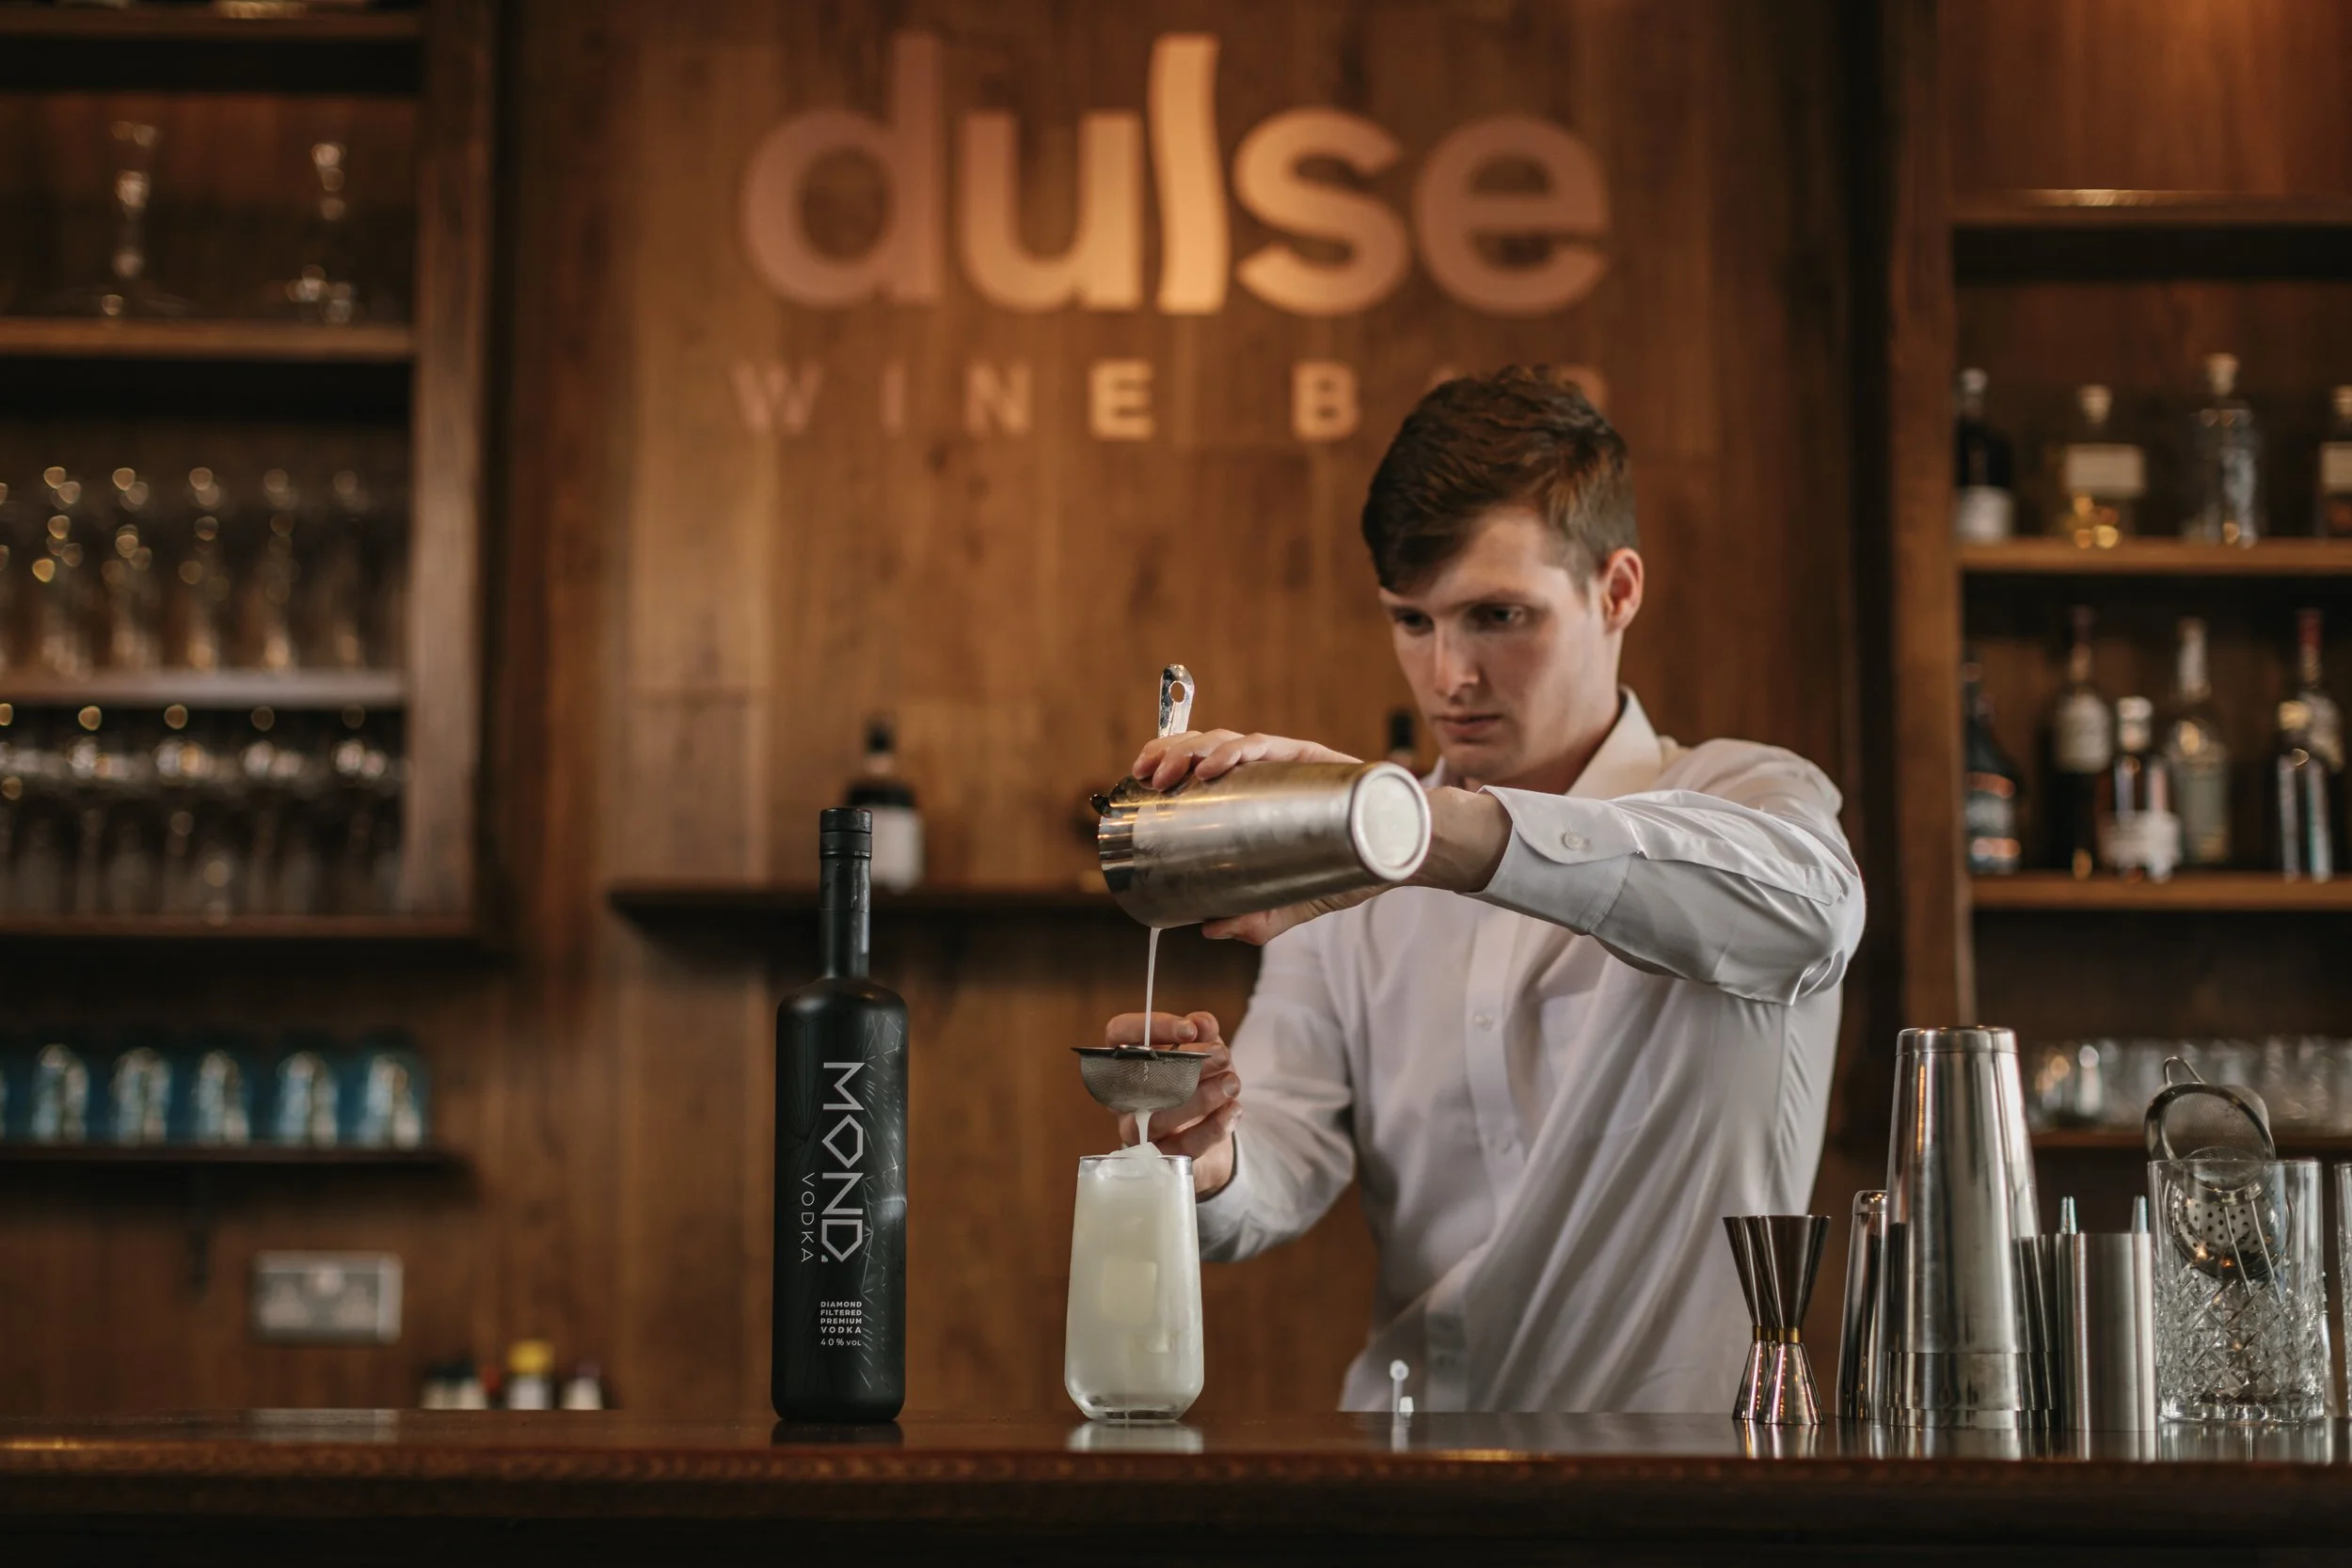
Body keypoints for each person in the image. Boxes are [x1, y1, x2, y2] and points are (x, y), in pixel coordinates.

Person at [1105, 367, 1866, 1414]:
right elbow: (1283, 1144)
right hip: (1404, 1480)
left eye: (1496, 614)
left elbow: (1815, 915)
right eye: (1411, 622)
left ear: (1618, 590)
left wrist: (1409, 832)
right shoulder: (1349, 861)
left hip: (1681, 1488)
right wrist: (1207, 1153)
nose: (1449, 674)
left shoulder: (1745, 798)